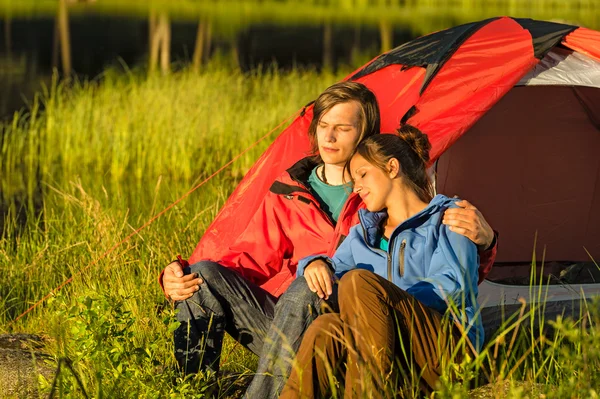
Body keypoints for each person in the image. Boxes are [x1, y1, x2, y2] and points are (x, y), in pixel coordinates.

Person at [158, 82, 497, 398]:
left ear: (366, 136)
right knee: (201, 275)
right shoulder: (293, 191)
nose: (329, 136)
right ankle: (190, 391)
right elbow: (247, 258)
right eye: (323, 125)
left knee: (323, 288)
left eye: (343, 128)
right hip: (297, 324)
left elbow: (453, 275)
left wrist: (486, 242)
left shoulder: (380, 199)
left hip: (369, 319)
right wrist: (175, 274)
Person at [280, 127, 484, 399]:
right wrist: (313, 263)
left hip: (448, 354)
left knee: (358, 283)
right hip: (395, 354)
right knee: (325, 327)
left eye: (362, 174)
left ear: (391, 168)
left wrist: (381, 301)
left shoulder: (448, 215)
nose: (357, 187)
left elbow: (454, 285)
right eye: (354, 180)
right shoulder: (363, 235)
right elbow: (332, 269)